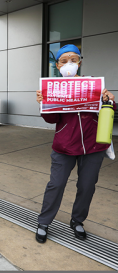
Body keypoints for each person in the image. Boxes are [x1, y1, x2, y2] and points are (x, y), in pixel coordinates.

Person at [35, 44, 116, 244]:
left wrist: (110, 101)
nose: (69, 64)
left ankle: (77, 220)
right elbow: (52, 120)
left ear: (80, 63)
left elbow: (111, 112)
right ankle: (44, 222)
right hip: (64, 146)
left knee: (87, 186)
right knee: (56, 184)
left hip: (93, 146)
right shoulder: (52, 88)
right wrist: (44, 104)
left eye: (74, 60)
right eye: (64, 60)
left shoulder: (94, 85)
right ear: (57, 65)